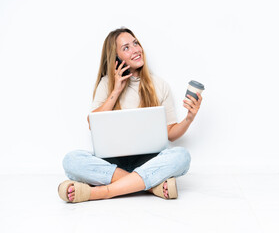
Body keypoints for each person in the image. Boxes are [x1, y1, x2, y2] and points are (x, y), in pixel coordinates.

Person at [57, 27, 203, 203]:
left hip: (148, 161)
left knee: (182, 156)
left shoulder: (160, 85)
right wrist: (116, 90)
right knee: (71, 161)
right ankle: (150, 186)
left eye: (135, 43)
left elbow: (171, 133)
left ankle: (103, 192)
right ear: (116, 57)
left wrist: (189, 118)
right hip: (112, 163)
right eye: (126, 48)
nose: (135, 49)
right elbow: (92, 122)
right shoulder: (107, 84)